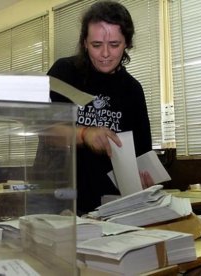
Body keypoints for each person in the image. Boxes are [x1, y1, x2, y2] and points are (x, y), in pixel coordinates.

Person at [47, 0, 153, 215]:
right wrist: (84, 134)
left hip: (111, 204)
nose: (105, 53)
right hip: (60, 199)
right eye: (96, 45)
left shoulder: (132, 90)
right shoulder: (64, 72)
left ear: (127, 44)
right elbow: (45, 130)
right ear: (85, 43)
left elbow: (142, 152)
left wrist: (146, 181)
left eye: (114, 44)